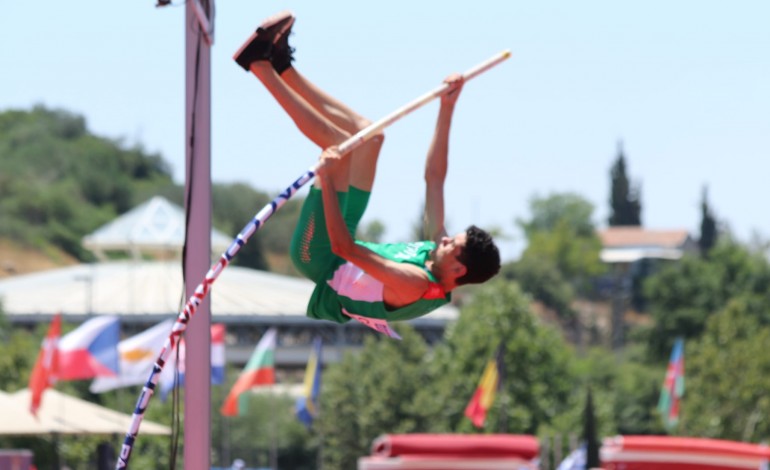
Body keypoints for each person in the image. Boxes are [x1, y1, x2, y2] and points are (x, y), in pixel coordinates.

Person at [234, 11, 501, 334]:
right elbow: (434, 178)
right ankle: (281, 65)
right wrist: (447, 108)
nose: (443, 238)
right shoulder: (435, 254)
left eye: (450, 244)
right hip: (344, 240)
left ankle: (258, 65)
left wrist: (328, 176)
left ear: (457, 268)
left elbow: (342, 249)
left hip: (322, 257)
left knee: (338, 146)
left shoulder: (415, 283)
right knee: (370, 136)